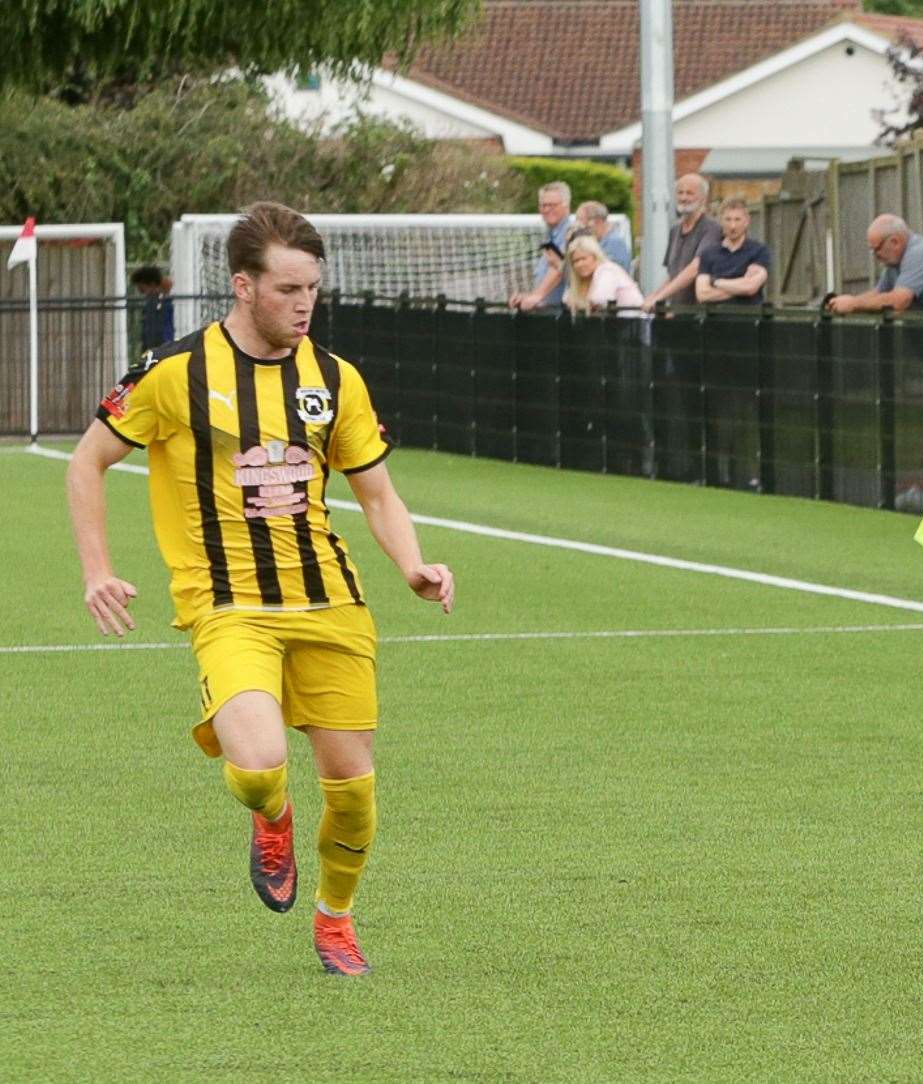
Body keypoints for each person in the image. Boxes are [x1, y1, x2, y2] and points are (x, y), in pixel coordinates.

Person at [65, 201, 455, 977]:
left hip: (330, 603)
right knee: (257, 766)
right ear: (243, 287)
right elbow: (86, 463)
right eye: (287, 289)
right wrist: (97, 570)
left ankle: (336, 919)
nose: (304, 303)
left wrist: (412, 564)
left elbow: (377, 492)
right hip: (227, 604)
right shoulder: (174, 372)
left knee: (352, 796)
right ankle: (271, 820)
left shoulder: (336, 379)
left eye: (312, 288)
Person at [825, 214, 923, 315]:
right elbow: (878, 294)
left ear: (895, 242)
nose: (876, 256)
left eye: (877, 249)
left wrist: (854, 304)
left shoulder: (920, 254)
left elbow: (899, 301)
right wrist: (844, 303)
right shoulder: (895, 262)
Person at [642, 173, 723, 311]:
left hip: (700, 313)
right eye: (680, 193)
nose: (684, 198)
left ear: (703, 198)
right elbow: (672, 274)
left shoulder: (711, 228)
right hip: (677, 311)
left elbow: (695, 268)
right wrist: (653, 297)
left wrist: (660, 297)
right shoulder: (675, 230)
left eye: (690, 193)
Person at [510, 180, 573, 310]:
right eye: (543, 205)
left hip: (564, 313)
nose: (546, 209)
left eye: (552, 205)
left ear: (566, 206)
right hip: (549, 310)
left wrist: (537, 296)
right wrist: (529, 296)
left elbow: (558, 269)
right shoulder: (550, 233)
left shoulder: (571, 232)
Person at [695, 199, 770, 305]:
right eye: (728, 220)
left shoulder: (759, 251)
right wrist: (740, 288)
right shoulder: (708, 253)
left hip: (749, 317)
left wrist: (715, 282)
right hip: (716, 319)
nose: (732, 226)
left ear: (746, 221)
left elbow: (750, 287)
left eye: (737, 220)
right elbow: (702, 294)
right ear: (721, 221)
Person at [563, 234, 643, 316]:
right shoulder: (583, 278)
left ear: (595, 257)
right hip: (617, 324)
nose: (580, 264)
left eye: (584, 258)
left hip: (634, 323)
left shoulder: (607, 270)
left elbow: (600, 299)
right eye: (576, 261)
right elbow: (566, 299)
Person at [575, 200, 633, 273]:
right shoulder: (597, 242)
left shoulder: (615, 243)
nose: (580, 231)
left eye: (584, 226)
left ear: (597, 221)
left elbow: (614, 275)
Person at [131, 264, 177, 350]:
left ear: (152, 284)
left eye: (142, 288)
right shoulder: (156, 301)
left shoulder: (160, 302)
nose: (141, 291)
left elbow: (163, 327)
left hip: (160, 346)